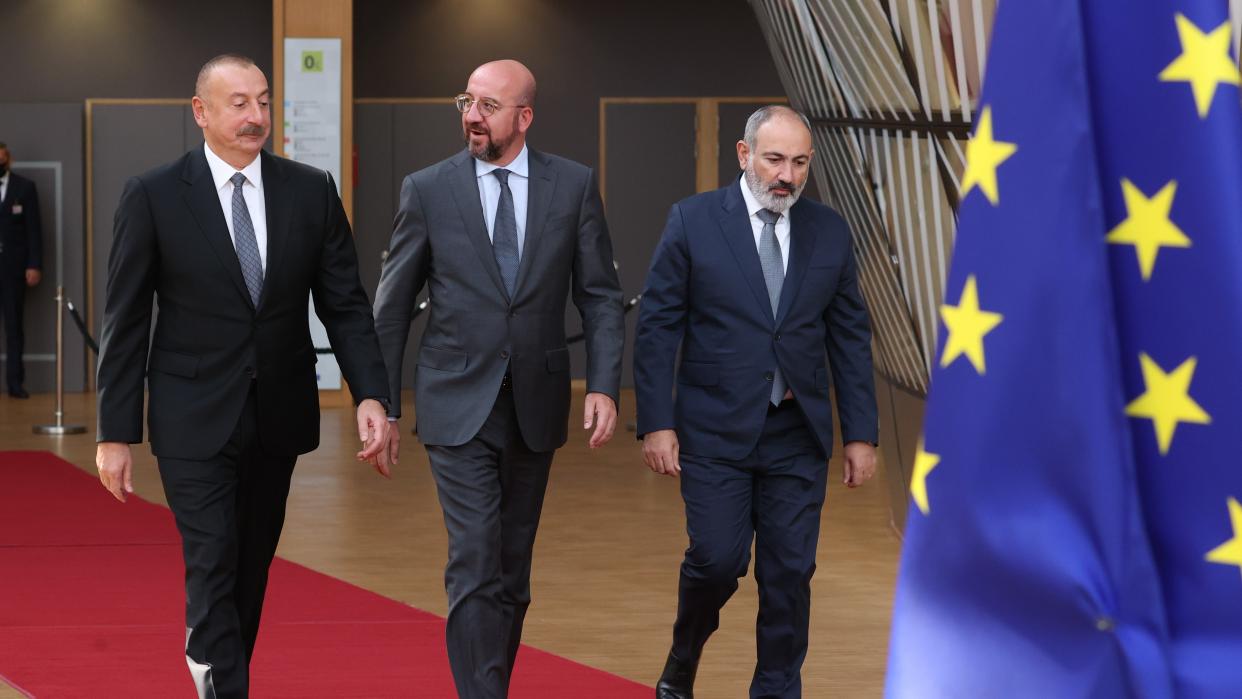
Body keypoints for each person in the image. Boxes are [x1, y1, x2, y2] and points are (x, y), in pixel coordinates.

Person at [94, 54, 392, 699]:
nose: (255, 116)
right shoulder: (152, 194)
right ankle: (223, 682)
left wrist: (371, 392)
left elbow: (344, 303)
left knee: (250, 566)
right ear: (201, 112)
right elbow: (125, 319)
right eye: (238, 103)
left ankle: (216, 666)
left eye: (262, 101)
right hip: (189, 415)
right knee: (212, 557)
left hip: (277, 413)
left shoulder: (310, 190)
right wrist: (115, 432)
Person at [373, 59, 624, 698]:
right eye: (466, 101)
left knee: (513, 573)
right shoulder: (428, 189)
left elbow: (598, 295)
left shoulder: (572, 186)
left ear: (524, 116)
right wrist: (379, 400)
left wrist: (601, 384)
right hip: (456, 401)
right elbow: (393, 303)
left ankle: (492, 686)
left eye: (487, 105)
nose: (471, 116)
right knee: (475, 559)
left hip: (536, 402)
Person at [633, 105, 879, 699]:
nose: (785, 176)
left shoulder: (829, 230)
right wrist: (656, 424)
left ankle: (775, 689)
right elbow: (658, 327)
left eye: (798, 163)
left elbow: (849, 334)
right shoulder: (693, 221)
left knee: (789, 573)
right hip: (714, 431)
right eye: (774, 160)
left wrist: (861, 434)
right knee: (717, 561)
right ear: (744, 156)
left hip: (797, 431)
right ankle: (683, 660)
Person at [0, 142, 43, 398]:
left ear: (8, 160)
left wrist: (34, 264)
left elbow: (34, 230)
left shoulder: (24, 188)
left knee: (14, 326)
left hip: (13, 269)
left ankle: (15, 383)